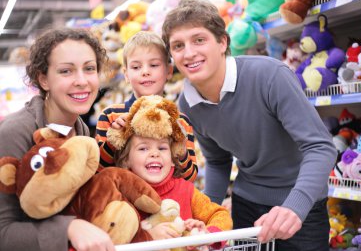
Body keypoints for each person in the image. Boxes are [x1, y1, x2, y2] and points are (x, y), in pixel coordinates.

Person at [161, 0, 338, 250]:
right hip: (246, 206)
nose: (189, 53)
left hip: (300, 208)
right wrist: (205, 214)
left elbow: (321, 147)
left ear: (223, 42)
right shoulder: (188, 104)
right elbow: (217, 160)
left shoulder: (269, 76)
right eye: (178, 46)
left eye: (199, 40)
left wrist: (294, 208)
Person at [0, 28, 115, 251]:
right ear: (44, 80)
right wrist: (69, 228)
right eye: (66, 71)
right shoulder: (13, 134)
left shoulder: (81, 132)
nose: (82, 81)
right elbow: (3, 231)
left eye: (89, 69)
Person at [107, 95, 233, 250]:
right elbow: (110, 237)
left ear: (173, 158)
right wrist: (147, 236)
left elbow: (220, 215)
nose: (155, 154)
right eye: (143, 148)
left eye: (162, 148)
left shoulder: (186, 191)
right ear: (126, 160)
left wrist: (205, 233)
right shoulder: (121, 197)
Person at [95, 31, 198, 182]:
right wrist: (112, 142)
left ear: (168, 71)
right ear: (126, 75)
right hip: (123, 201)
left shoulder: (180, 122)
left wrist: (181, 151)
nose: (145, 72)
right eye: (136, 67)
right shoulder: (111, 116)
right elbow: (98, 172)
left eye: (154, 65)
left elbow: (189, 178)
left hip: (168, 203)